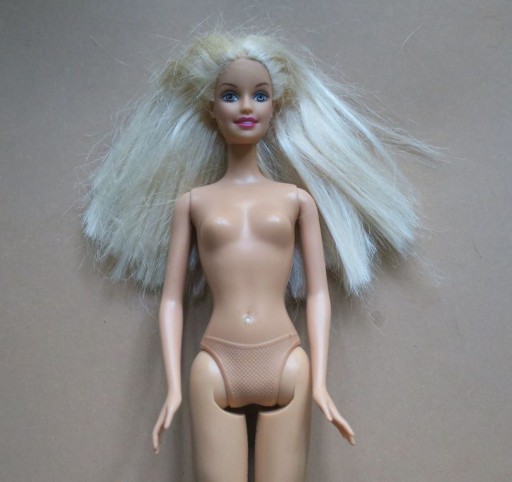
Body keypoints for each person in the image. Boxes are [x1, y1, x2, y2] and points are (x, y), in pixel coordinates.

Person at [84, 31, 432, 481]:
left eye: (260, 95)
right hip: (215, 364)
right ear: (211, 108)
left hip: (286, 361)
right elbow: (171, 299)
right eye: (230, 95)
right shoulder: (193, 203)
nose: (246, 107)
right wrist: (172, 389)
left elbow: (318, 295)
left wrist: (320, 383)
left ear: (275, 105)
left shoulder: (296, 200)